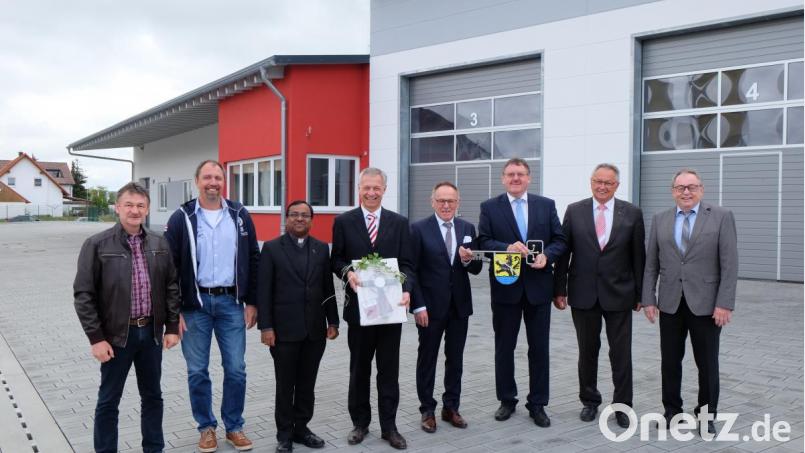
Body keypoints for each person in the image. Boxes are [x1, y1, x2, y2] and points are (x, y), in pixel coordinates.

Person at [74, 182, 180, 453]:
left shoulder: (159, 242)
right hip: (116, 337)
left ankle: (154, 449)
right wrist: (96, 338)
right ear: (117, 207)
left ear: (147, 209)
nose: (135, 210)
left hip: (151, 335)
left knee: (153, 397)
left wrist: (170, 327)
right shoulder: (96, 244)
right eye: (129, 205)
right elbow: (83, 294)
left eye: (140, 205)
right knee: (109, 400)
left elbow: (171, 285)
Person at [164, 160, 260, 452]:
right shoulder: (183, 217)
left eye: (218, 177)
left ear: (224, 181)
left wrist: (252, 301)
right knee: (197, 371)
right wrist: (173, 311)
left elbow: (254, 258)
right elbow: (169, 267)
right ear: (197, 181)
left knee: (236, 369)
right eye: (207, 177)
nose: (213, 182)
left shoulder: (239, 214)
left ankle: (234, 426)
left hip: (231, 302)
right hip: (195, 306)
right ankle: (206, 428)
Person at [642, 168, 738, 435]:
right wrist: (649, 298)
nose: (686, 191)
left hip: (707, 305)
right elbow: (651, 263)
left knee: (707, 363)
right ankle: (672, 411)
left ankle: (706, 416)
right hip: (670, 303)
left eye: (691, 187)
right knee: (669, 361)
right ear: (673, 191)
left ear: (701, 189)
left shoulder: (721, 217)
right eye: (680, 187)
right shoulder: (660, 219)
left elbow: (729, 265)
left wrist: (725, 303)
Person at [553, 163, 645, 428]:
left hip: (620, 294)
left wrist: (641, 294)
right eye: (597, 181)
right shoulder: (575, 211)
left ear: (617, 185)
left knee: (621, 353)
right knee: (587, 351)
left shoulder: (632, 213)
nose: (602, 186)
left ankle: (622, 406)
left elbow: (639, 257)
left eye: (608, 182)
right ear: (591, 182)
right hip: (583, 294)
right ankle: (589, 401)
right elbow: (564, 253)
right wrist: (559, 289)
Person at [330, 167, 415, 450]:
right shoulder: (344, 222)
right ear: (359, 188)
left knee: (388, 371)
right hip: (359, 310)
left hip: (390, 310)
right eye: (366, 187)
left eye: (376, 188)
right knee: (359, 369)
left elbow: (408, 264)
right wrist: (347, 273)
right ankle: (360, 424)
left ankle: (389, 427)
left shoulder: (400, 223)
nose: (371, 192)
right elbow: (337, 258)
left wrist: (406, 289)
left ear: (384, 189)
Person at [478, 157, 566, 427]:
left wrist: (547, 257)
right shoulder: (490, 207)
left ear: (529, 178)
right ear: (503, 178)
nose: (515, 178)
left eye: (520, 174)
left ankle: (538, 403)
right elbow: (483, 241)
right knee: (505, 347)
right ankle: (506, 399)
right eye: (510, 174)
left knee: (539, 349)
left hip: (539, 288)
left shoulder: (545, 205)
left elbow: (559, 240)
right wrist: (506, 247)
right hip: (506, 287)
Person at [257, 200, 340, 453]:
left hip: (314, 331)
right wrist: (266, 327)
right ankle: (284, 434)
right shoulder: (271, 249)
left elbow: (327, 288)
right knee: (285, 385)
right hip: (283, 332)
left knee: (307, 384)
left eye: (305, 215)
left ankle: (301, 429)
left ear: (311, 220)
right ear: (287, 218)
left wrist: (333, 321)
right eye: (294, 214)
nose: (300, 219)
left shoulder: (320, 249)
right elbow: (264, 291)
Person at [410, 181, 483, 433]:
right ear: (433, 202)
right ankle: (427, 409)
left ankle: (451, 406)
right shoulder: (418, 229)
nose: (446, 205)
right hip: (429, 308)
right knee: (427, 358)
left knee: (456, 359)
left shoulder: (467, 228)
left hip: (459, 307)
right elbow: (412, 271)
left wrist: (467, 260)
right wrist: (418, 305)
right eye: (441, 200)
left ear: (458, 203)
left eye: (451, 201)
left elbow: (476, 268)